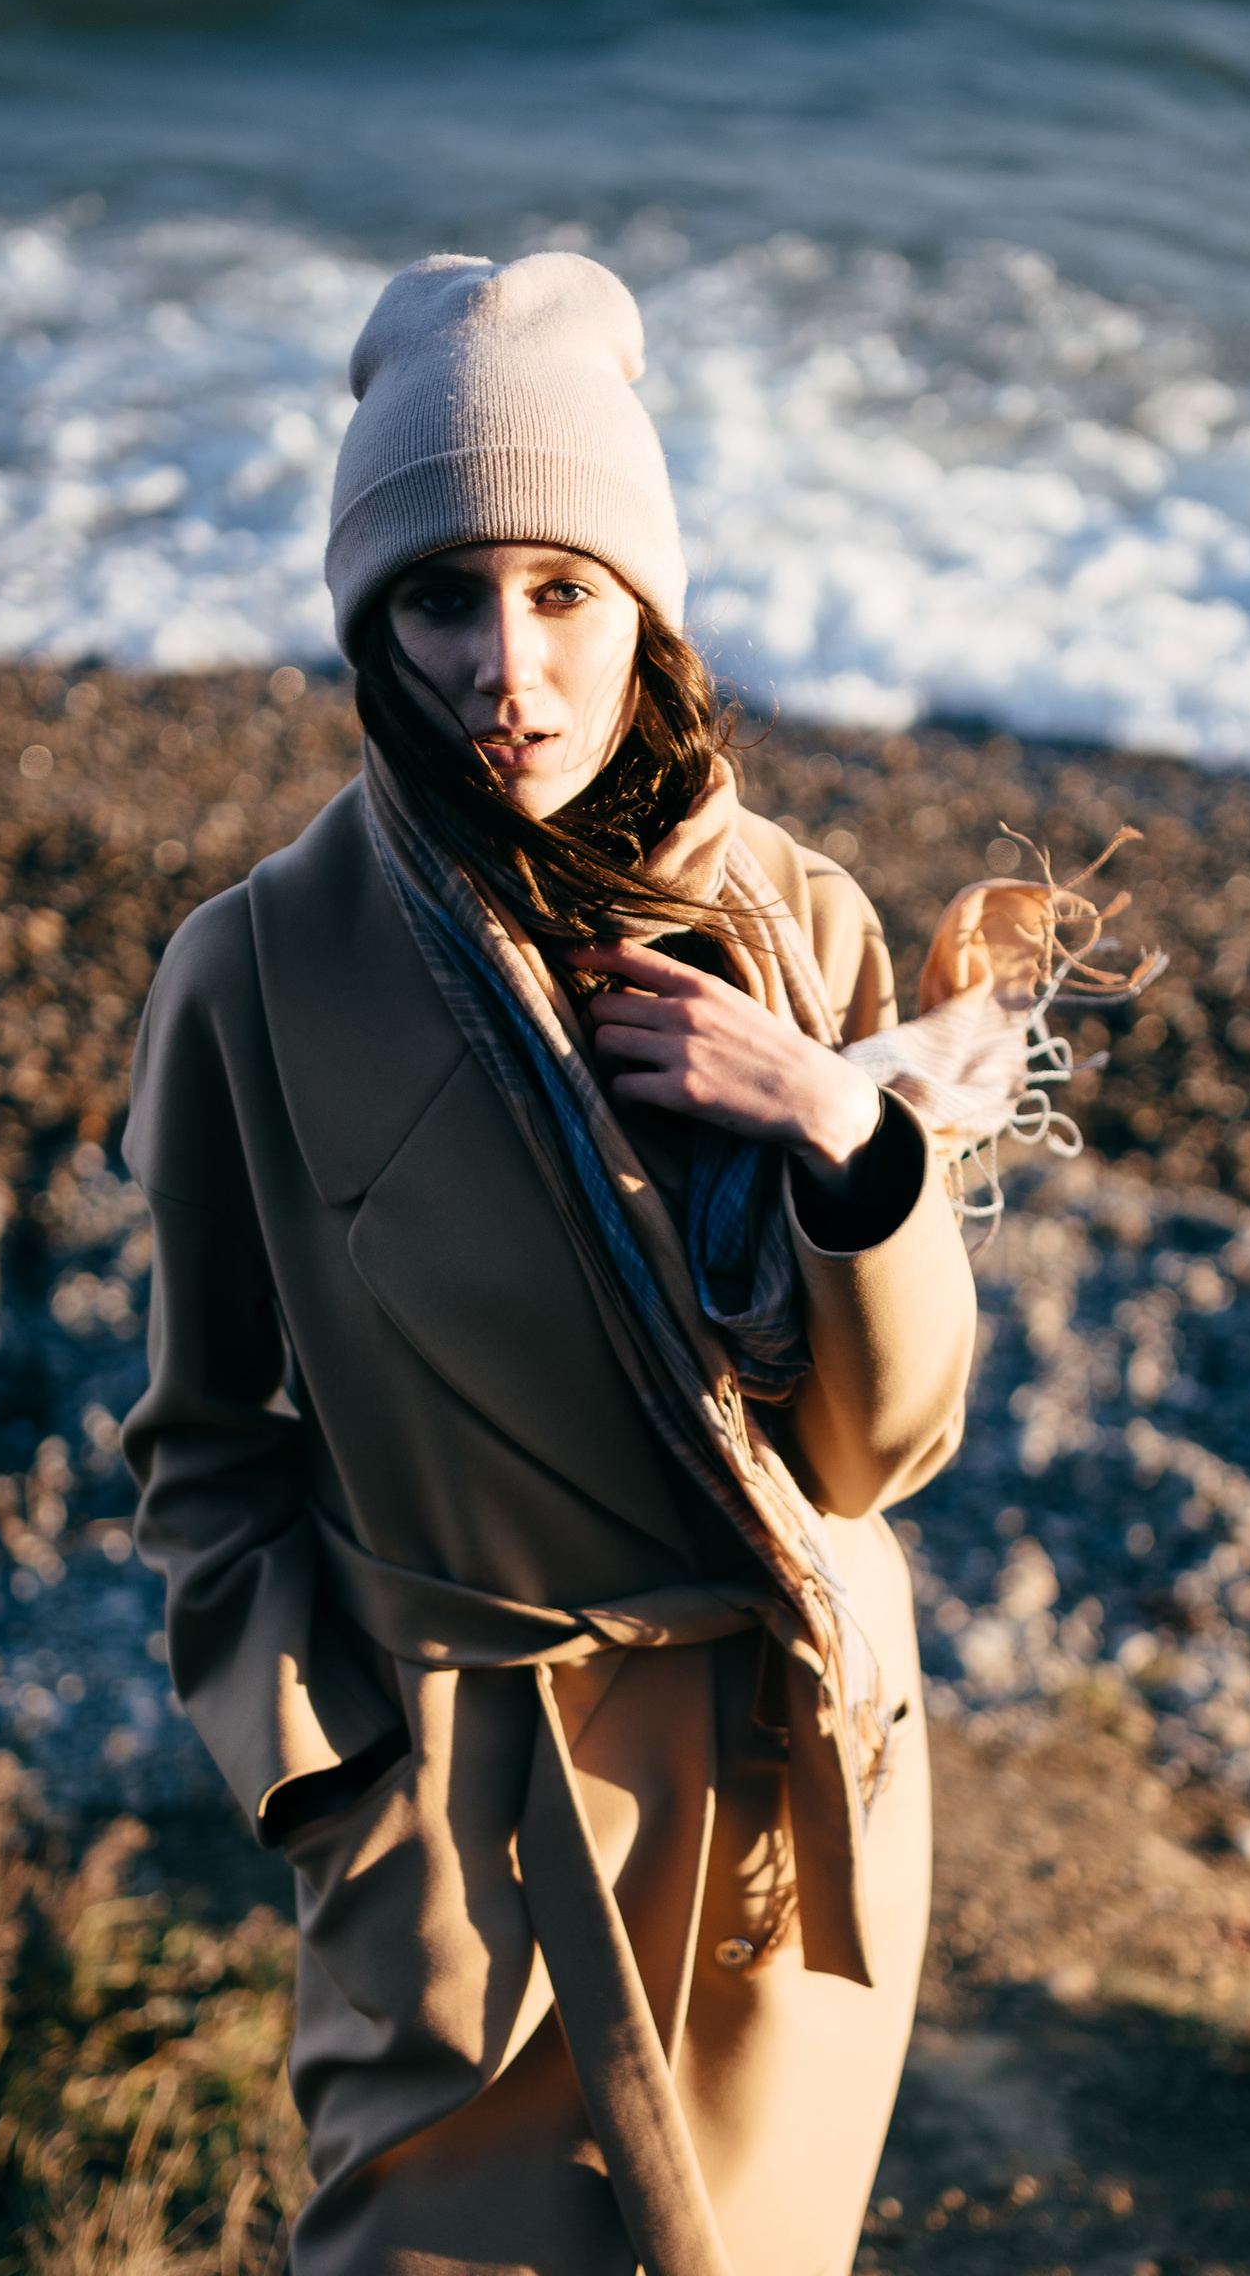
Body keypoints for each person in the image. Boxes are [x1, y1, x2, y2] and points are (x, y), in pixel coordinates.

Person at [120, 251, 980, 2276]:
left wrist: (836, 1124)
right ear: (367, 620)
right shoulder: (250, 973)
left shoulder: (799, 927)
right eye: (441, 595)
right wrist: (335, 1796)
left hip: (785, 1792)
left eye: (562, 592)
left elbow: (887, 1448)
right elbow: (201, 1448)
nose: (507, 668)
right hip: (463, 1813)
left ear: (643, 613)